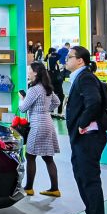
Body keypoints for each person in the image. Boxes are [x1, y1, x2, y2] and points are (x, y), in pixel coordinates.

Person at [64, 46, 107, 214]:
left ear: (80, 60)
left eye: (69, 57)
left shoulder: (85, 78)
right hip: (82, 138)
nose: (66, 60)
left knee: (89, 180)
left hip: (88, 138)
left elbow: (94, 102)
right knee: (82, 176)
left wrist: (82, 123)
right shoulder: (80, 77)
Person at [18, 61, 61, 198]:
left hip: (37, 125)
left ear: (35, 72)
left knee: (30, 156)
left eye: (30, 70)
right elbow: (57, 102)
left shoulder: (34, 89)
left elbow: (23, 108)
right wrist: (45, 110)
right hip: (48, 123)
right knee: (48, 157)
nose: (28, 72)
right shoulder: (47, 88)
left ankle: (29, 188)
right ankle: (55, 189)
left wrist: (22, 98)